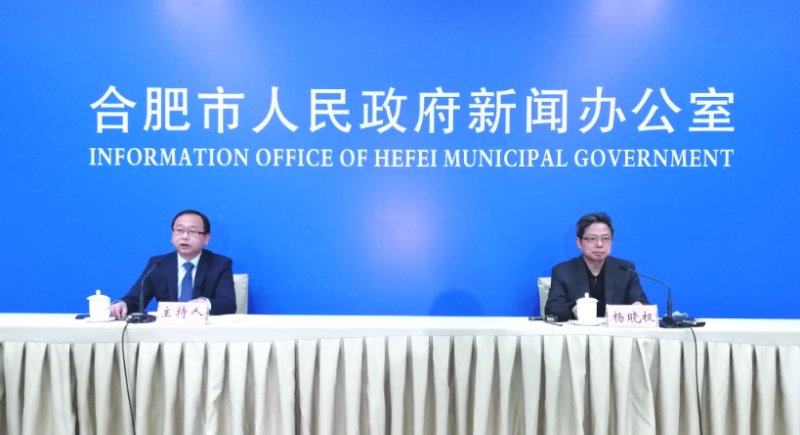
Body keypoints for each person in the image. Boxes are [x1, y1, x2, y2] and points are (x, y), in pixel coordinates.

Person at [110, 210, 236, 319]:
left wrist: (204, 304)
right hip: (166, 331)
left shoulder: (220, 264)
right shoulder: (158, 264)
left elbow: (228, 304)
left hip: (204, 331)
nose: (184, 236)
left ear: (206, 238)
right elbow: (136, 299)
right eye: (179, 230)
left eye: (192, 231)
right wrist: (122, 304)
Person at [544, 212, 648, 321]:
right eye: (592, 239)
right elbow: (553, 308)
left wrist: (639, 306)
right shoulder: (563, 271)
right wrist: (574, 309)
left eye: (605, 238)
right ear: (579, 242)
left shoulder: (625, 270)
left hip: (615, 331)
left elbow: (642, 303)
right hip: (580, 330)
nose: (599, 244)